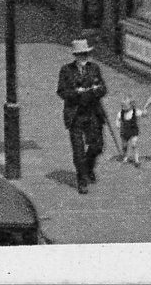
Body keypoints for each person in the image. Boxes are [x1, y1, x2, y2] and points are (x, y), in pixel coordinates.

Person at [56, 38, 108, 194]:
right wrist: (77, 94)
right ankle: (82, 180)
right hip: (76, 115)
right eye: (80, 54)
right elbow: (61, 91)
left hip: (93, 113)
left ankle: (88, 167)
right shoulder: (66, 70)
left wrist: (93, 91)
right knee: (78, 150)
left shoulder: (94, 68)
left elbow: (103, 88)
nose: (83, 57)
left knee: (97, 146)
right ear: (75, 55)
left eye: (85, 54)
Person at [115, 97, 142, 167]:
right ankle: (125, 157)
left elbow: (142, 113)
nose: (123, 107)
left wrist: (144, 113)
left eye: (125, 106)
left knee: (134, 144)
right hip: (124, 132)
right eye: (122, 106)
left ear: (131, 105)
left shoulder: (135, 112)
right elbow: (118, 119)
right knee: (124, 145)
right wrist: (117, 124)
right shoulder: (121, 113)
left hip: (133, 131)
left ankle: (136, 160)